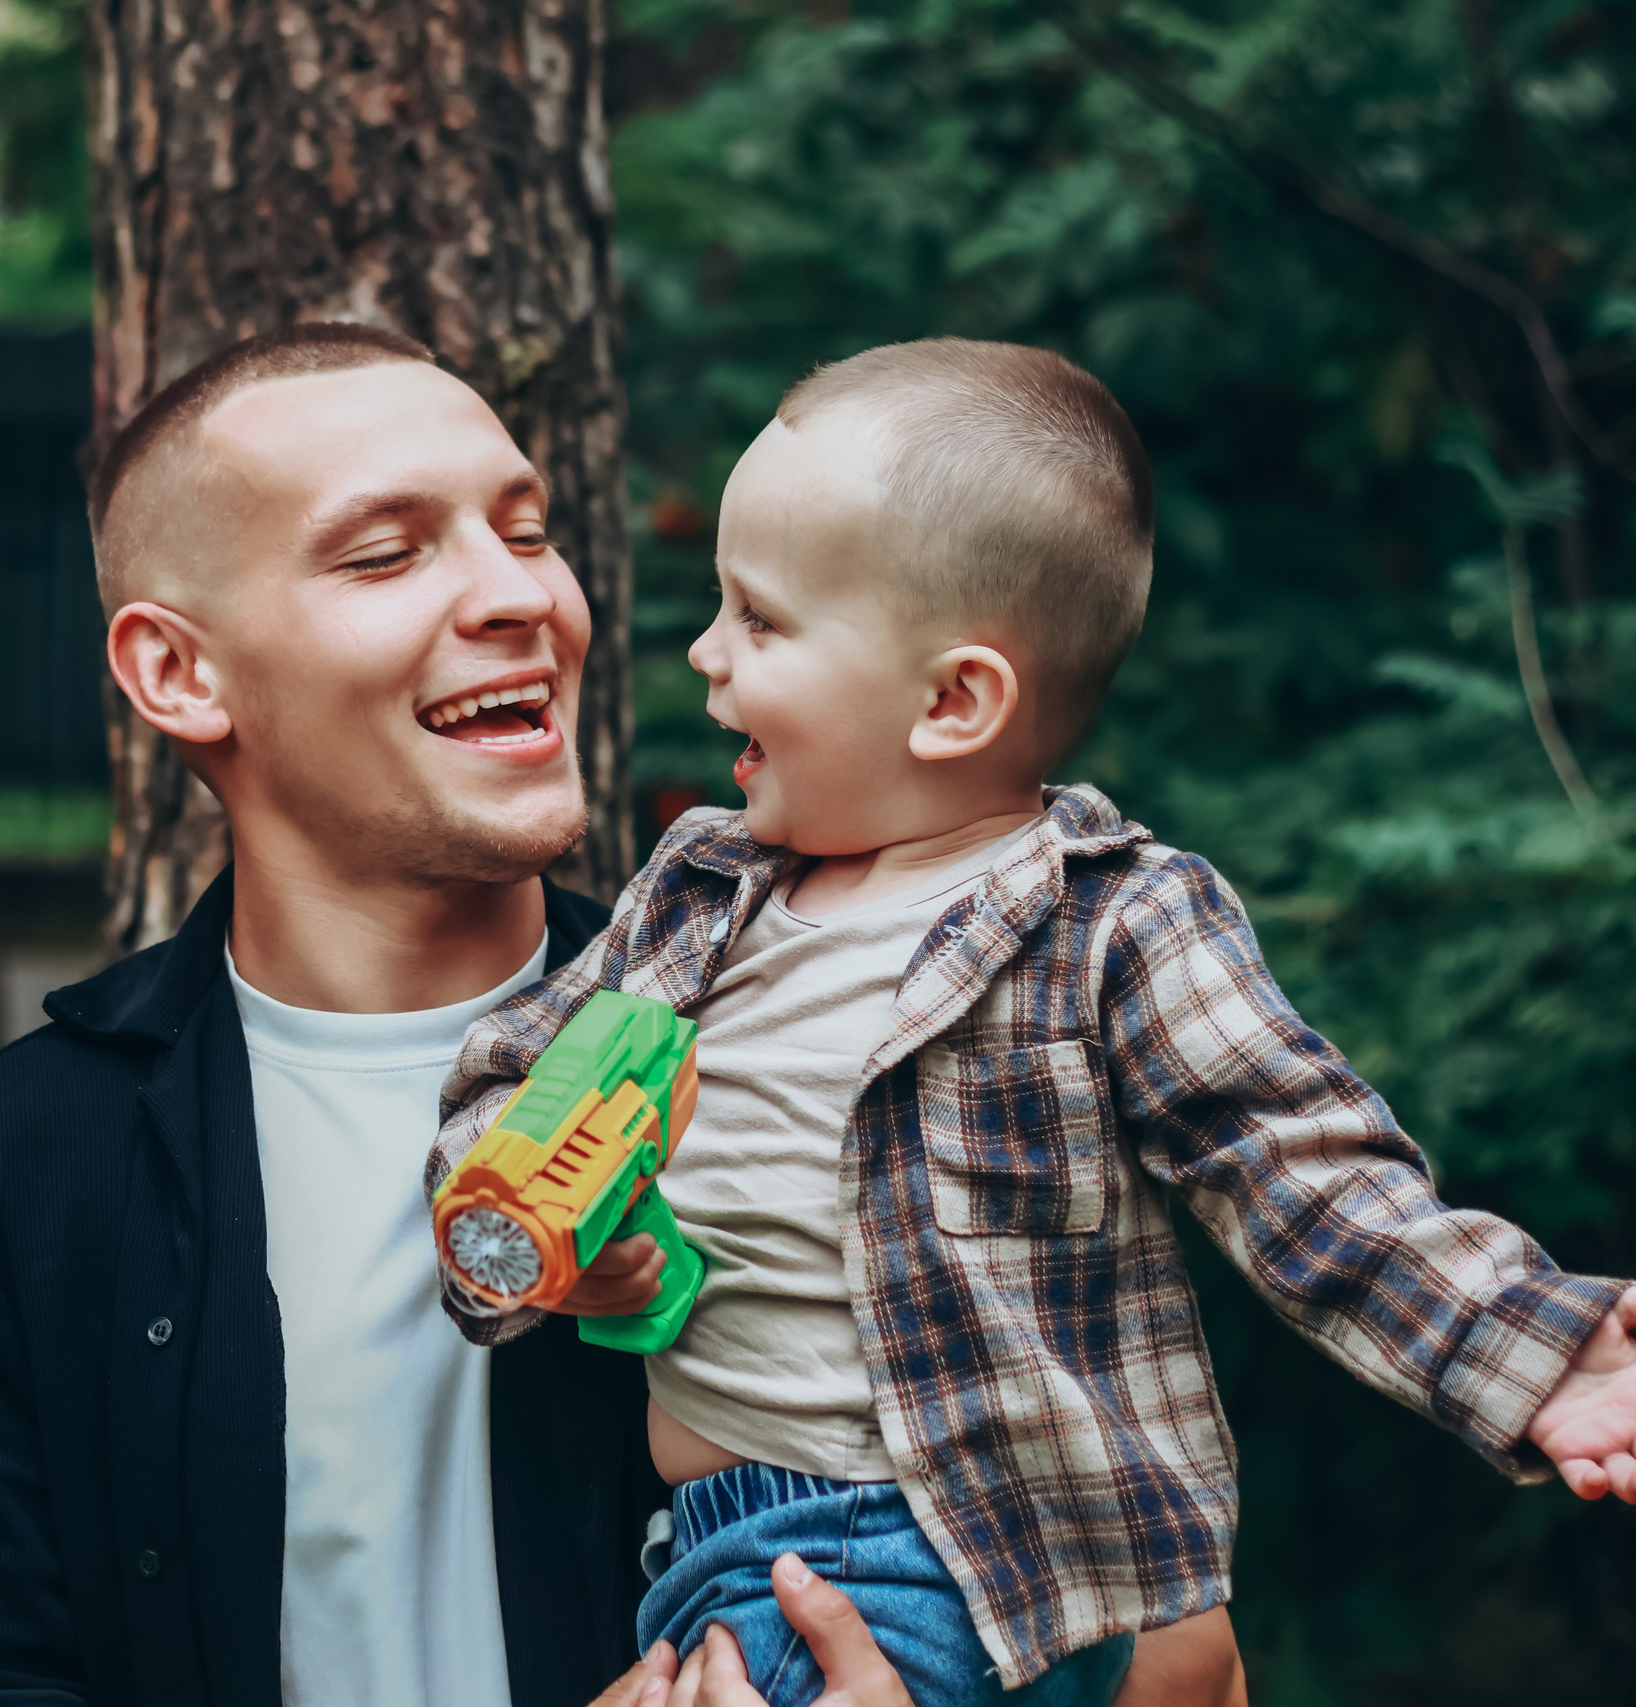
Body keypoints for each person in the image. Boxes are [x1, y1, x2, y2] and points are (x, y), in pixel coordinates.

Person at [427, 339, 1636, 1706]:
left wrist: (1539, 1350)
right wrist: (532, 1242)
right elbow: (511, 1079)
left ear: (954, 700)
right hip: (719, 1542)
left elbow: (1300, 1167)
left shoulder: (1105, 918)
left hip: (943, 1547)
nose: (706, 654)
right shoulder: (701, 892)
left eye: (759, 621)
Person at [0, 324, 659, 1707]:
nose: (521, 596)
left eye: (527, 530)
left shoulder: (773, 1054)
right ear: (177, 675)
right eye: (387, 552)